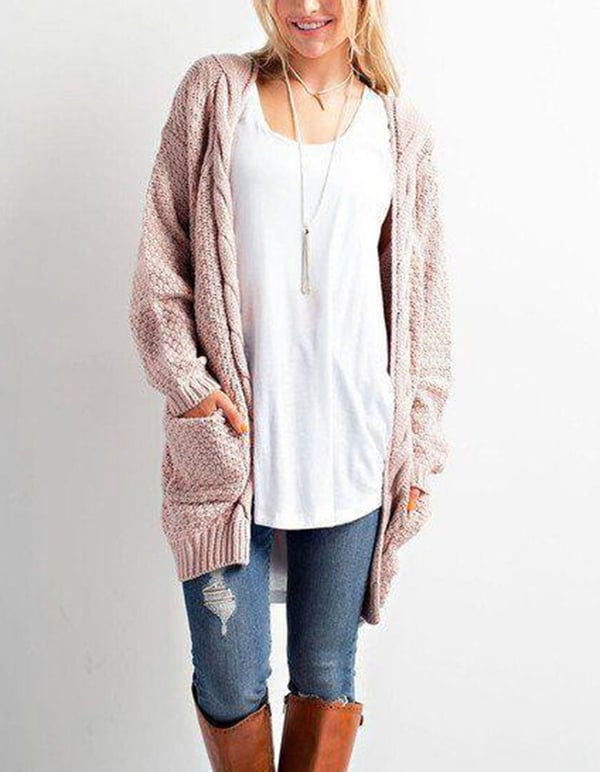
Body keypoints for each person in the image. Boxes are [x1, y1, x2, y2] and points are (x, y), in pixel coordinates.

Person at [129, 1, 452, 769]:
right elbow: (160, 259)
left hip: (353, 448)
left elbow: (425, 304)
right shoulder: (216, 93)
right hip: (231, 449)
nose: (306, 7)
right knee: (230, 681)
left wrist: (419, 441)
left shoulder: (399, 130)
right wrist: (189, 383)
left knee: (326, 676)